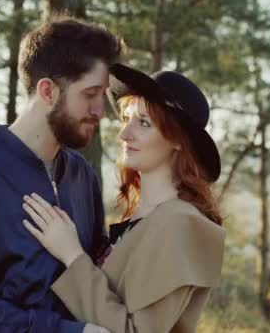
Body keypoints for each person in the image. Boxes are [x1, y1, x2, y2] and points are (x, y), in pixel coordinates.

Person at [0, 15, 122, 333]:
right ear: (48, 92)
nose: (101, 110)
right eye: (90, 94)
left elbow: (94, 272)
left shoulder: (82, 176)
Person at [21, 63, 226, 332]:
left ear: (178, 140)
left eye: (143, 122)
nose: (124, 134)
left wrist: (72, 255)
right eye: (126, 119)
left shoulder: (179, 222)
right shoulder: (145, 217)